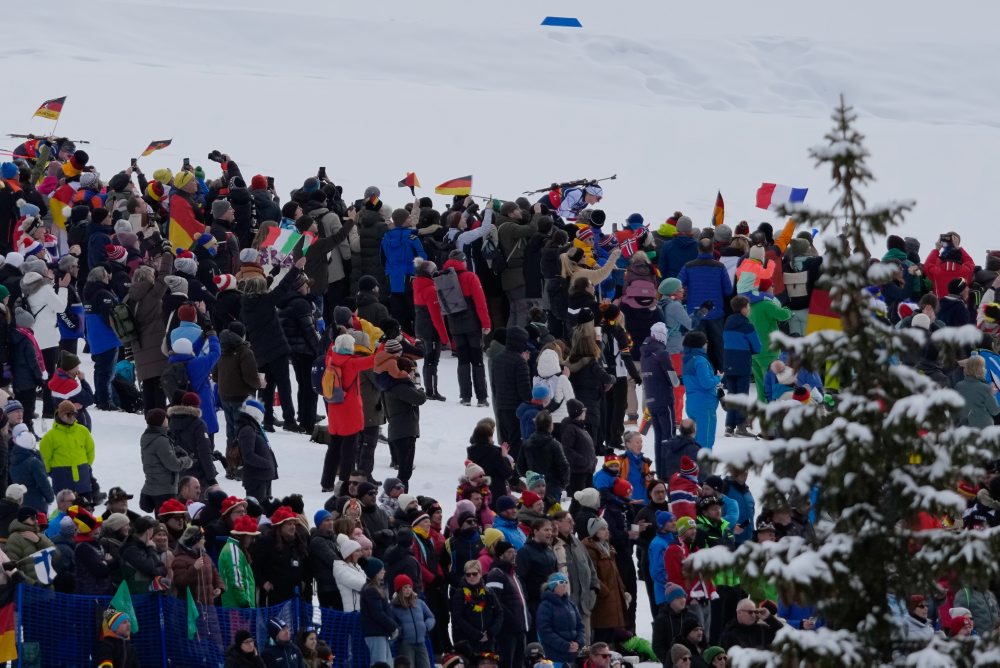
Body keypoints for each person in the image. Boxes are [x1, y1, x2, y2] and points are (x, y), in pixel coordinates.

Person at [322, 333, 376, 491]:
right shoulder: (352, 363)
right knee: (349, 451)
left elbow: (329, 350)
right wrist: (380, 347)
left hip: (335, 411)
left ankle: (326, 482)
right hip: (350, 412)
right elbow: (373, 360)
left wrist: (334, 338)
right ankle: (345, 483)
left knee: (333, 448)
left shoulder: (331, 359)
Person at [582, 517, 629, 644]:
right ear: (594, 532)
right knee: (602, 634)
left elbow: (615, 574)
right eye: (602, 529)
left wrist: (622, 590)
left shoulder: (608, 548)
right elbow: (592, 574)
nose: (607, 531)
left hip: (613, 597)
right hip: (602, 599)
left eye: (607, 528)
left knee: (610, 633)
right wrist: (605, 591)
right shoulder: (591, 550)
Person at [39, 400, 96, 502]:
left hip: (82, 476)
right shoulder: (50, 436)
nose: (72, 417)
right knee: (66, 510)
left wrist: (87, 465)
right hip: (62, 478)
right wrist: (51, 472)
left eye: (74, 414)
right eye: (69, 414)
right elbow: (44, 457)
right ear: (61, 414)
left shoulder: (83, 431)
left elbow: (90, 450)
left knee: (86, 510)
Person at [139, 408, 194, 513]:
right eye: (164, 418)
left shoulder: (147, 436)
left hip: (152, 486)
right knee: (167, 520)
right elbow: (173, 465)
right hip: (165, 489)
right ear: (160, 421)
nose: (167, 419)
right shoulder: (161, 440)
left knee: (160, 519)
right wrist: (188, 460)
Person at [722, 295, 761, 437]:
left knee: (732, 394)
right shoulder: (747, 325)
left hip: (728, 361)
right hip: (742, 362)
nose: (749, 309)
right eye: (748, 306)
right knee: (742, 394)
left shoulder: (728, 322)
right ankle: (741, 426)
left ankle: (729, 426)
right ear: (744, 308)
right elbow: (757, 347)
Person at [492, 327, 533, 459]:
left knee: (505, 442)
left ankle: (505, 467)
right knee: (516, 442)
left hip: (501, 406)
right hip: (516, 408)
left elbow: (494, 386)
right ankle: (515, 472)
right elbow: (525, 391)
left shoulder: (497, 359)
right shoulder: (519, 362)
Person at [450, 559, 503, 656]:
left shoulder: (488, 592)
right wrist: (476, 634)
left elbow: (499, 613)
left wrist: (491, 632)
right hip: (467, 641)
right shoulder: (460, 593)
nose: (471, 577)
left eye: (474, 574)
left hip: (488, 641)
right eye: (468, 574)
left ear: (480, 574)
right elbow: (457, 618)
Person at [681, 332, 721, 450]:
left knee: (694, 439)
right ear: (700, 344)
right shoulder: (700, 361)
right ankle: (705, 466)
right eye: (705, 342)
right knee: (706, 440)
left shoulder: (687, 359)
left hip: (692, 402)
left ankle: (694, 465)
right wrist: (718, 377)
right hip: (704, 405)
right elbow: (707, 383)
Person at [535, 572, 585, 666]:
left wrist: (579, 642)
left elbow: (580, 626)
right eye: (561, 582)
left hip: (573, 655)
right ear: (553, 585)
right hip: (554, 656)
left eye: (566, 582)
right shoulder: (545, 606)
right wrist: (565, 646)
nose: (565, 585)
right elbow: (545, 631)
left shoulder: (571, 605)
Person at [391, 574, 436, 668]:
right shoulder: (394, 607)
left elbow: (431, 617)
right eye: (405, 587)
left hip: (421, 642)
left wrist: (426, 626)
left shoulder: (419, 602)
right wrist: (400, 631)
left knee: (426, 666)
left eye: (410, 587)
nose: (408, 589)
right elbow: (392, 623)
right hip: (406, 644)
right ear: (399, 590)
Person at [237, 399, 278, 501]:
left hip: (262, 477)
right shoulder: (248, 430)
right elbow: (248, 455)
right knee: (256, 512)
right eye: (262, 412)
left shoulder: (253, 427)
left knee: (264, 512)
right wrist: (267, 464)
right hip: (256, 479)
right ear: (256, 413)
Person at [360, 557, 398, 665]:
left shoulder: (375, 588)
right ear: (375, 572)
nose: (384, 571)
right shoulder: (371, 590)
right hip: (375, 633)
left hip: (380, 632)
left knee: (387, 663)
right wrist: (393, 626)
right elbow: (378, 613)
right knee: (380, 663)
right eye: (381, 569)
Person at [219, 515, 260, 608]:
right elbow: (236, 581)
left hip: (239, 608)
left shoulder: (236, 548)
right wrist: (244, 603)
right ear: (242, 536)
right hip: (238, 609)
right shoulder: (233, 551)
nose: (252, 540)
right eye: (250, 537)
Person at [956, 355, 1000, 428]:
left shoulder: (958, 386)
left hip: (964, 428)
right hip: (983, 429)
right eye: (983, 366)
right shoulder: (986, 388)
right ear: (980, 370)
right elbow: (995, 411)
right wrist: (993, 394)